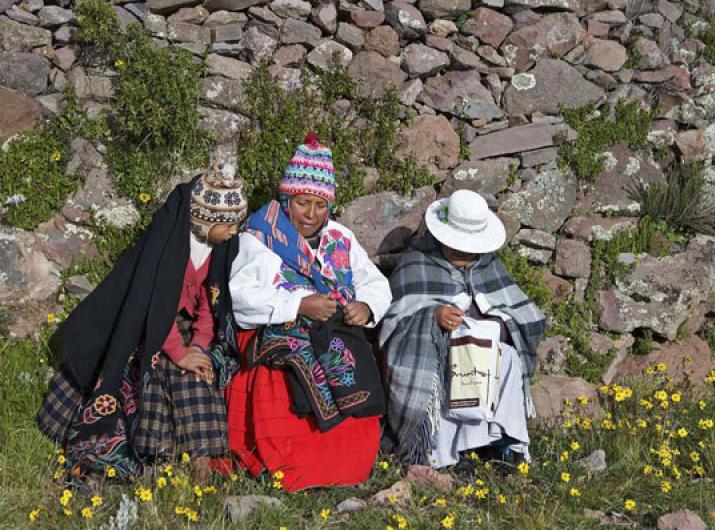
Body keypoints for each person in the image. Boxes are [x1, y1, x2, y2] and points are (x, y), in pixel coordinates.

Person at [37, 168, 248, 486]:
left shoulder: (221, 246)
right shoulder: (167, 247)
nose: (235, 232)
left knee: (200, 372)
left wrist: (200, 346)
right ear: (205, 221)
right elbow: (154, 307)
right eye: (229, 224)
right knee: (139, 372)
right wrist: (179, 352)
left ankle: (199, 458)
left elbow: (212, 300)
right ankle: (132, 452)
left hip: (180, 323)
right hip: (142, 323)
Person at [225, 132, 392, 491]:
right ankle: (295, 468)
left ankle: (348, 466)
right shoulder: (259, 238)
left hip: (332, 330)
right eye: (302, 203)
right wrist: (299, 304)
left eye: (319, 205)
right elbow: (239, 296)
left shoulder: (340, 238)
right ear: (287, 198)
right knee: (294, 368)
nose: (311, 214)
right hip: (276, 329)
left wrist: (365, 306)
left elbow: (376, 284)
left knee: (353, 360)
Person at [380, 189, 546, 470]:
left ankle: (497, 444)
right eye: (457, 246)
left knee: (508, 360)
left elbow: (525, 314)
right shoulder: (416, 264)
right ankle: (443, 452)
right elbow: (396, 320)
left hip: (486, 355)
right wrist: (433, 317)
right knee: (448, 365)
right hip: (438, 354)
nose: (464, 253)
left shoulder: (489, 265)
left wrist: (497, 323)